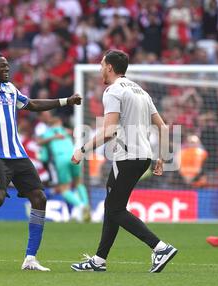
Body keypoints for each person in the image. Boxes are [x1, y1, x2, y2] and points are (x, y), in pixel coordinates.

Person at [0, 53, 82, 271]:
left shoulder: (10, 89)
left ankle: (30, 258)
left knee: (39, 197)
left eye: (7, 66)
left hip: (18, 154)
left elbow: (31, 104)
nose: (7, 69)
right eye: (2, 66)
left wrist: (65, 101)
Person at [70, 50, 177, 273]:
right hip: (144, 156)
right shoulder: (141, 91)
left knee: (115, 208)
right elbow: (164, 127)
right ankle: (99, 261)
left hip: (127, 156)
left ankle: (160, 247)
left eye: (101, 64)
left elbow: (109, 131)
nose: (100, 68)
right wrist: (162, 157)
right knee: (113, 207)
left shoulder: (113, 91)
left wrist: (82, 149)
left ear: (109, 67)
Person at [38, 113, 89, 222]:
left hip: (61, 159)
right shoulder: (66, 131)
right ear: (60, 123)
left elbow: (40, 143)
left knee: (64, 188)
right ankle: (86, 204)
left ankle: (80, 206)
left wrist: (52, 138)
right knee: (79, 183)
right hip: (74, 156)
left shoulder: (48, 133)